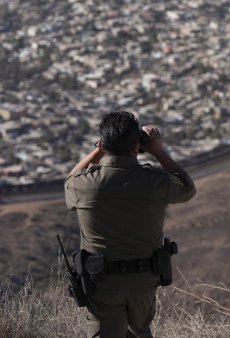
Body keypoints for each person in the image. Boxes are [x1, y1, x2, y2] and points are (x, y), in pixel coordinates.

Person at [64, 111, 196, 337]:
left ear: (104, 144)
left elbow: (70, 179)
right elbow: (187, 188)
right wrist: (157, 150)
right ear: (136, 146)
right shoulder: (155, 181)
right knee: (140, 330)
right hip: (144, 280)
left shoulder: (84, 186)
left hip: (102, 282)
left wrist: (99, 149)